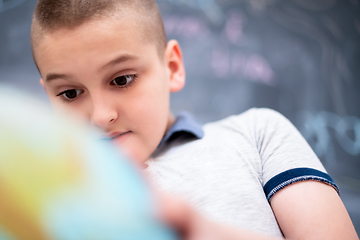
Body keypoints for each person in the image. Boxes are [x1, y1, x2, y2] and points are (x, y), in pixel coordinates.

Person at [30, 0, 359, 239]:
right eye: (71, 93)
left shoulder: (256, 134)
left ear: (172, 67)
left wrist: (197, 228)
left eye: (122, 80)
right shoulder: (44, 200)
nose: (101, 117)